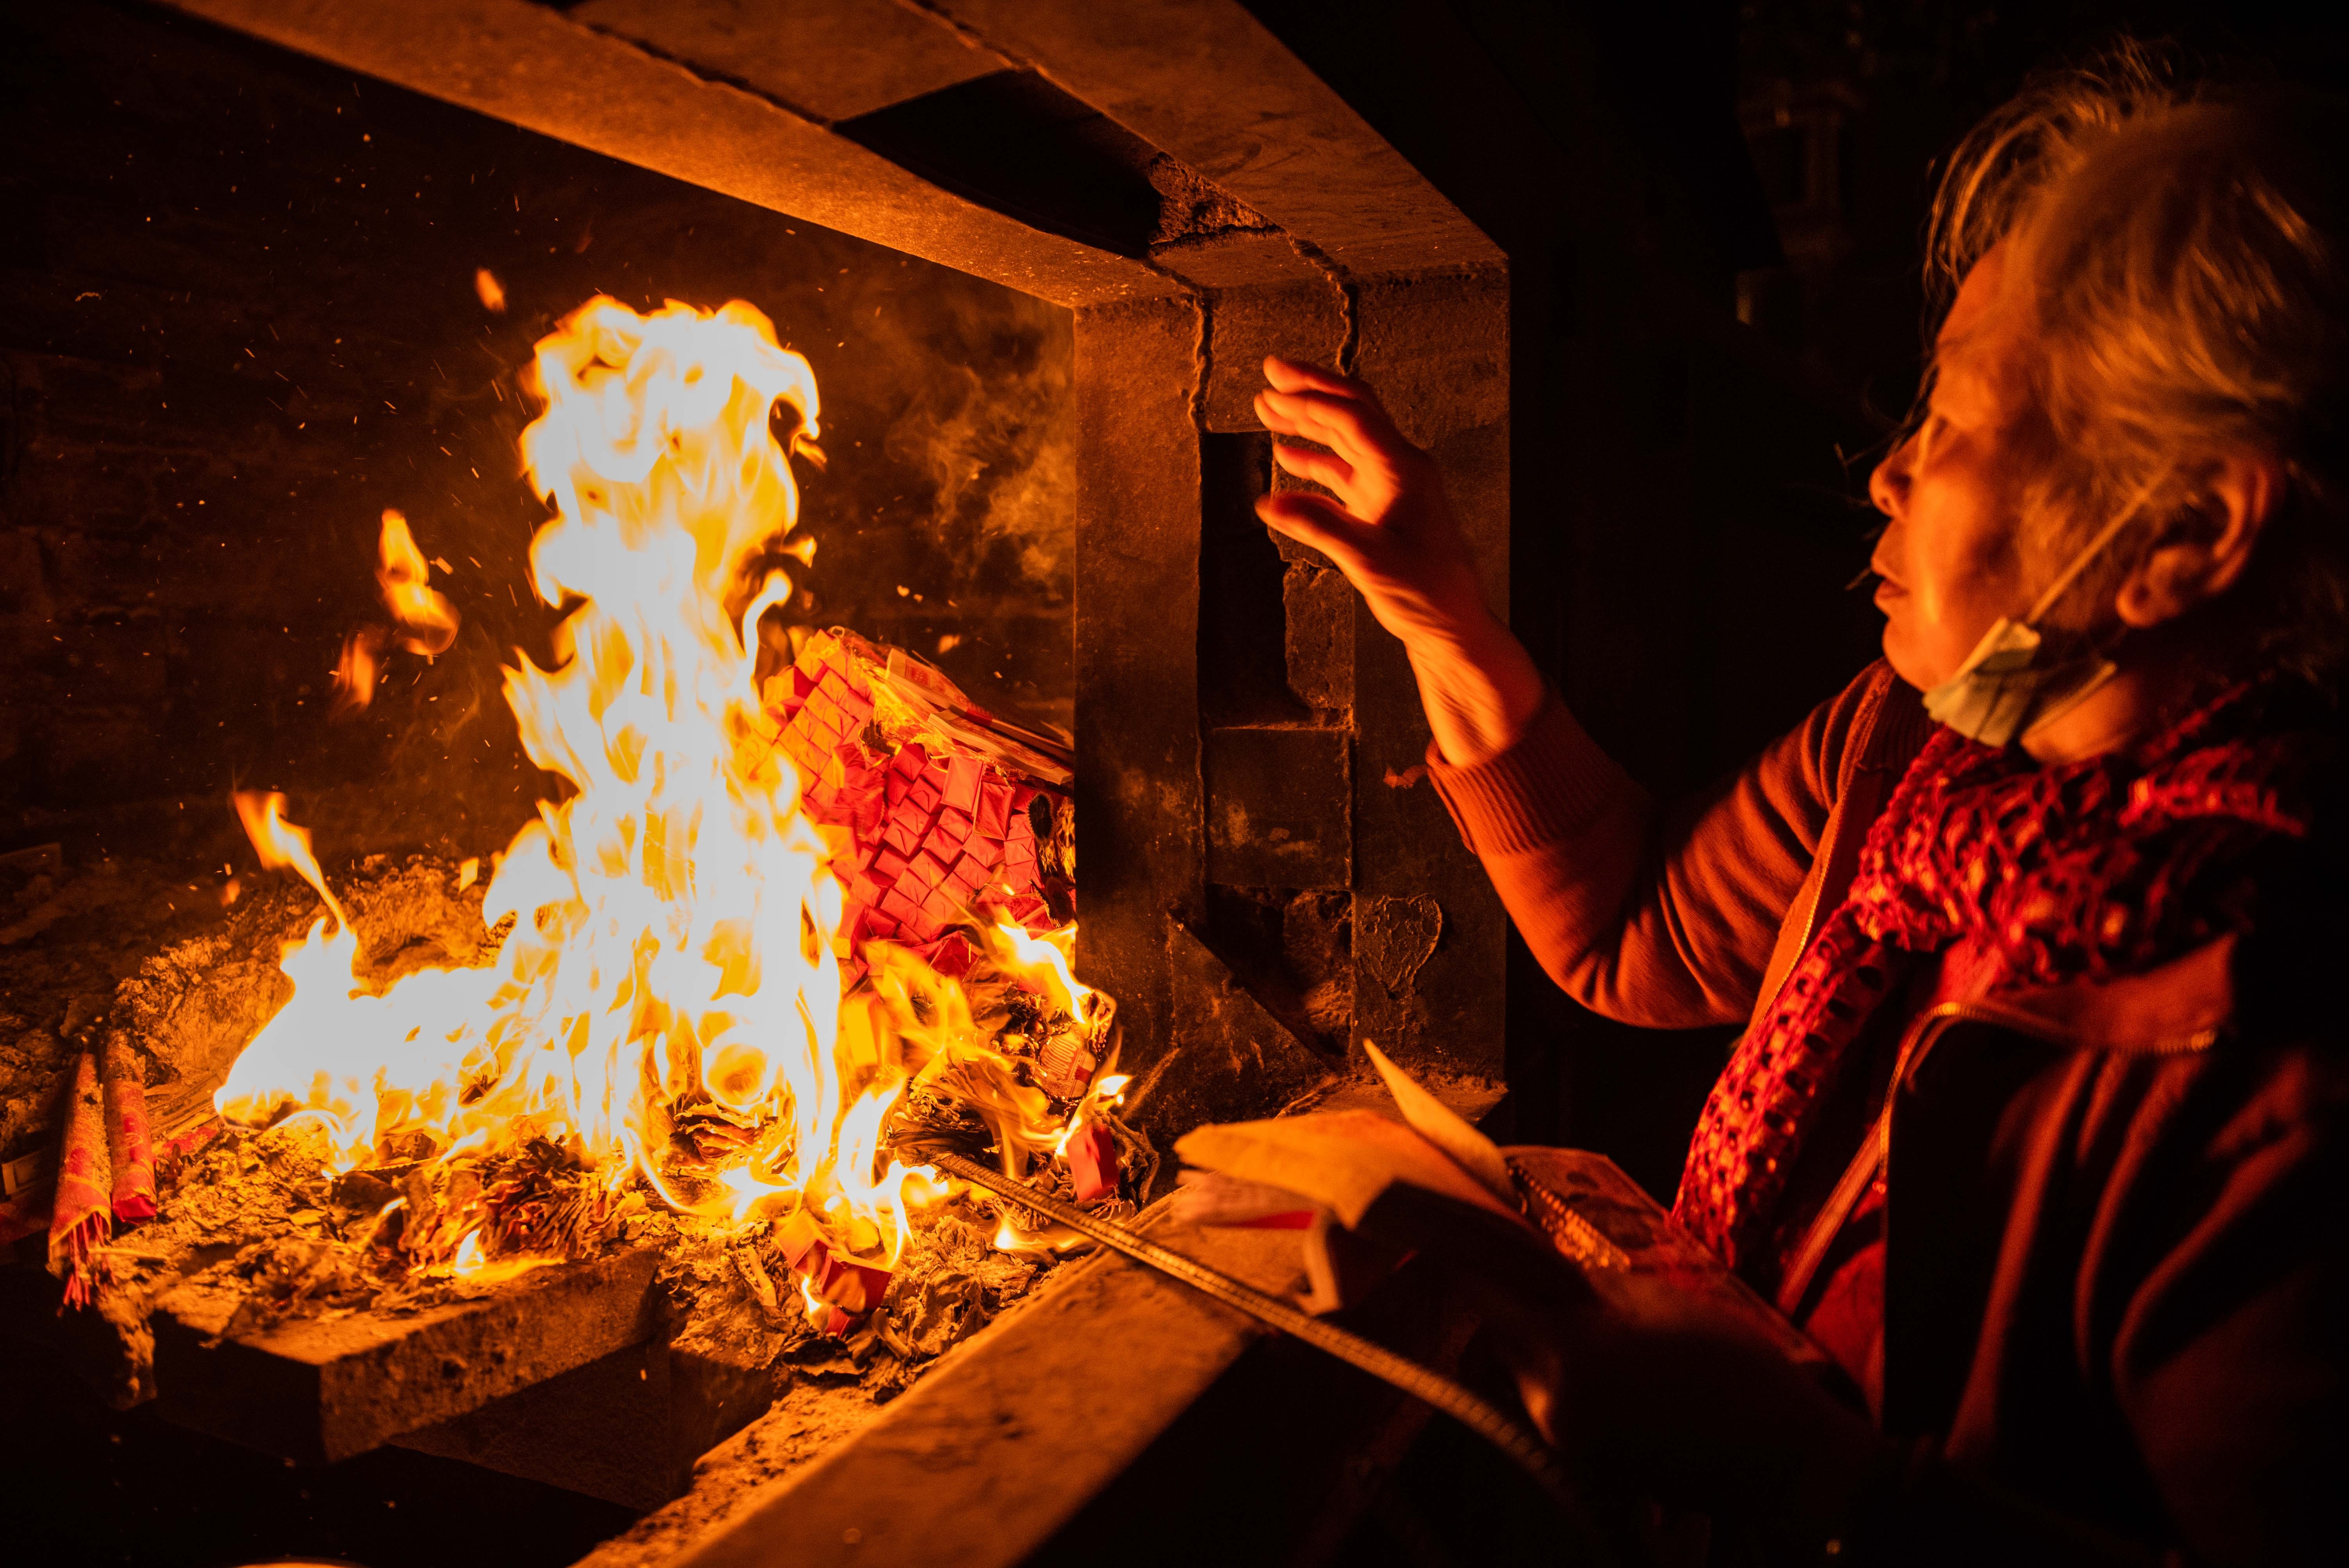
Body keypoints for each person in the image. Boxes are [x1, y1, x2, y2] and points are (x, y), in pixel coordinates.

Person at [1253, 48, 2348, 1566]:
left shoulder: (2265, 1046)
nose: (1889, 471)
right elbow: (1633, 930)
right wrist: (1436, 607)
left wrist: (1817, 1481)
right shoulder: (1913, 750)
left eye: (1957, 421)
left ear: (2179, 532)